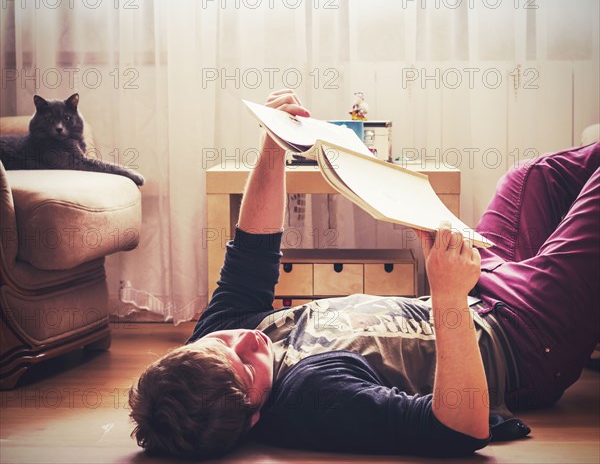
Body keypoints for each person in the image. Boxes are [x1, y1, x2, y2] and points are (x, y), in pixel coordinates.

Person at [128, 90, 600, 460]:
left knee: (532, 175)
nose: (250, 340)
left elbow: (252, 250)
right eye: (249, 366)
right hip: (522, 339)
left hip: (478, 284)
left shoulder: (212, 338)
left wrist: (274, 146)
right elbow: (460, 428)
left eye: (223, 343)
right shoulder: (314, 399)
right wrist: (448, 297)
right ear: (254, 419)